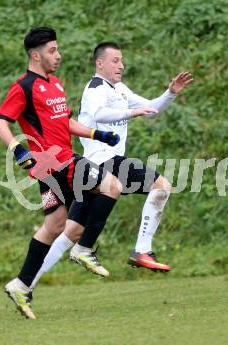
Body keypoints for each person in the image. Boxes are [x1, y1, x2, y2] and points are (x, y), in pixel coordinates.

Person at [28, 42, 193, 289]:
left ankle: (25, 284)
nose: (121, 65)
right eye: (115, 60)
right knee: (161, 186)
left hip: (92, 171)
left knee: (70, 232)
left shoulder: (120, 89)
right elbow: (98, 114)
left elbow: (150, 109)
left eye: (122, 60)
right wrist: (131, 113)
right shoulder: (95, 87)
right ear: (100, 63)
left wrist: (170, 93)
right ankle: (142, 250)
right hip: (104, 161)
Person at [0, 28, 124, 319]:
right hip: (56, 162)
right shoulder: (24, 86)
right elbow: (1, 123)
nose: (58, 55)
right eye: (52, 50)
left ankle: (21, 284)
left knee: (54, 226)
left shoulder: (55, 84)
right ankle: (84, 249)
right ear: (35, 55)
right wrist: (17, 149)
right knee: (111, 185)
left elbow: (65, 122)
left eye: (57, 49)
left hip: (53, 168)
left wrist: (97, 134)